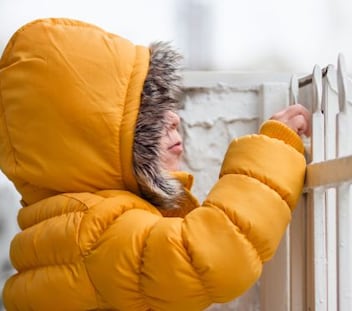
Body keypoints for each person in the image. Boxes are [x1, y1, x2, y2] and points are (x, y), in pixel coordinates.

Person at [0, 18, 310, 311]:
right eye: (145, 113)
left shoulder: (69, 224)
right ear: (86, 144)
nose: (173, 117)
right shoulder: (95, 234)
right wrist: (274, 152)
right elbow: (211, 258)